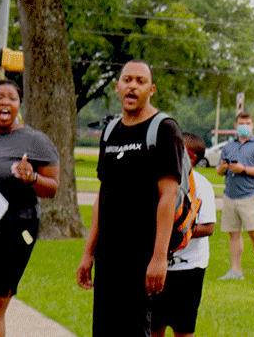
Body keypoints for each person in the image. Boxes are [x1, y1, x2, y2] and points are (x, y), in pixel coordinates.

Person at [76, 60, 185, 337]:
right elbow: (104, 193)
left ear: (151, 89)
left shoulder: (164, 129)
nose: (132, 86)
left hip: (142, 256)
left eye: (140, 81)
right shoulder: (111, 131)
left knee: (135, 330)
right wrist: (89, 252)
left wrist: (159, 258)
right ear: (117, 87)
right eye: (127, 80)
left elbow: (168, 195)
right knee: (105, 330)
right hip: (108, 256)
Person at [0, 79, 59, 337]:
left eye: (12, 98)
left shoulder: (34, 140)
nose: (5, 103)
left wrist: (32, 177)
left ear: (18, 104)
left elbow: (53, 188)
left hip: (14, 230)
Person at [151, 133, 217, 337]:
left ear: (192, 158)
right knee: (153, 325)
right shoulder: (161, 178)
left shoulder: (201, 185)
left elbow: (208, 227)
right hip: (157, 266)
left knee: (183, 328)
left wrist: (176, 232)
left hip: (189, 268)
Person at [215, 111, 254, 281]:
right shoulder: (228, 146)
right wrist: (225, 167)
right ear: (235, 125)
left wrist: (244, 169)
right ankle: (235, 271)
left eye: (248, 123)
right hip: (230, 195)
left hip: (250, 196)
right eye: (241, 123)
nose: (244, 127)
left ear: (253, 126)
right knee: (233, 234)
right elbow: (218, 170)